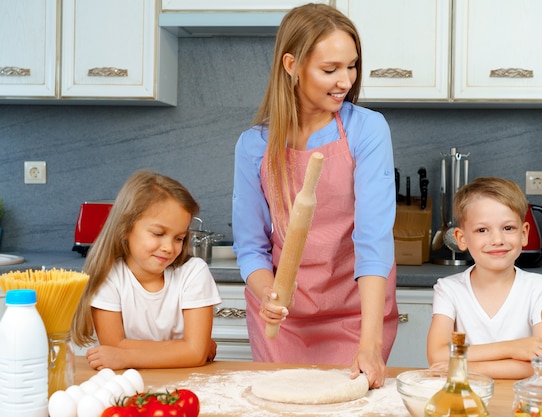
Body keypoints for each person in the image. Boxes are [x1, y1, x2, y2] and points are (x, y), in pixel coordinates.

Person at [232, 3, 398, 388]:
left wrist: (369, 342)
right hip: (283, 320)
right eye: (330, 69)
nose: (345, 80)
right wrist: (269, 298)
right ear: (292, 65)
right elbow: (251, 247)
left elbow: (372, 240)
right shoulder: (254, 145)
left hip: (356, 315)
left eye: (351, 66)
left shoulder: (367, 130)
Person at [71, 170, 221, 370]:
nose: (169, 247)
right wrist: (185, 348)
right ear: (125, 228)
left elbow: (195, 353)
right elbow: (114, 346)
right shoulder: (109, 277)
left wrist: (126, 356)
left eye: (179, 238)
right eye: (158, 233)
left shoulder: (194, 273)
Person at [426, 176, 542, 379]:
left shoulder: (539, 287)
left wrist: (463, 368)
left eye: (508, 228)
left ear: (524, 234)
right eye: (482, 230)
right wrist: (513, 348)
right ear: (461, 239)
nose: (497, 240)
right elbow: (437, 356)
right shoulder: (448, 289)